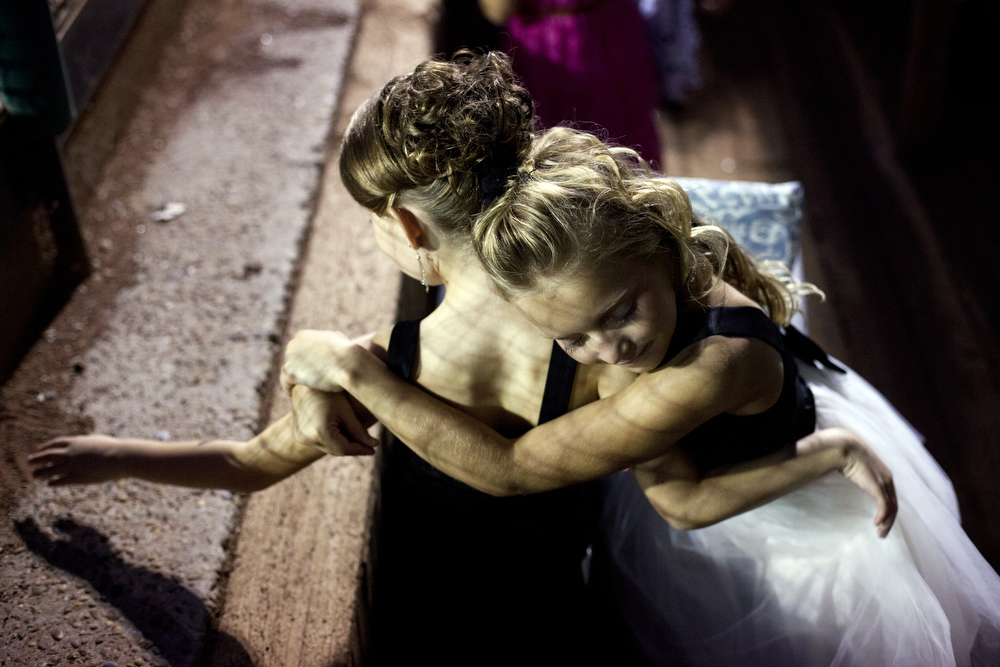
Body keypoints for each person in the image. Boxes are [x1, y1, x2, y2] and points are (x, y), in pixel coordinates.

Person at [32, 52, 893, 665]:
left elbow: (250, 464)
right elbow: (671, 488)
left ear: (404, 228)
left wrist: (119, 456)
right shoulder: (613, 352)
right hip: (562, 607)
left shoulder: (388, 364)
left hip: (430, 620)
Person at [280, 125, 1000, 665]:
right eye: (575, 339)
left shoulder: (713, 363)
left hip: (772, 519)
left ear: (657, 248)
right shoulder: (620, 264)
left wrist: (353, 370)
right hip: (708, 466)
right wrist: (304, 373)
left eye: (621, 313)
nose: (611, 350)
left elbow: (673, 502)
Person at [478, 0, 662, 164]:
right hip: (539, 55)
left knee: (622, 155)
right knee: (542, 161)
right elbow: (497, 11)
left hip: (608, 40)